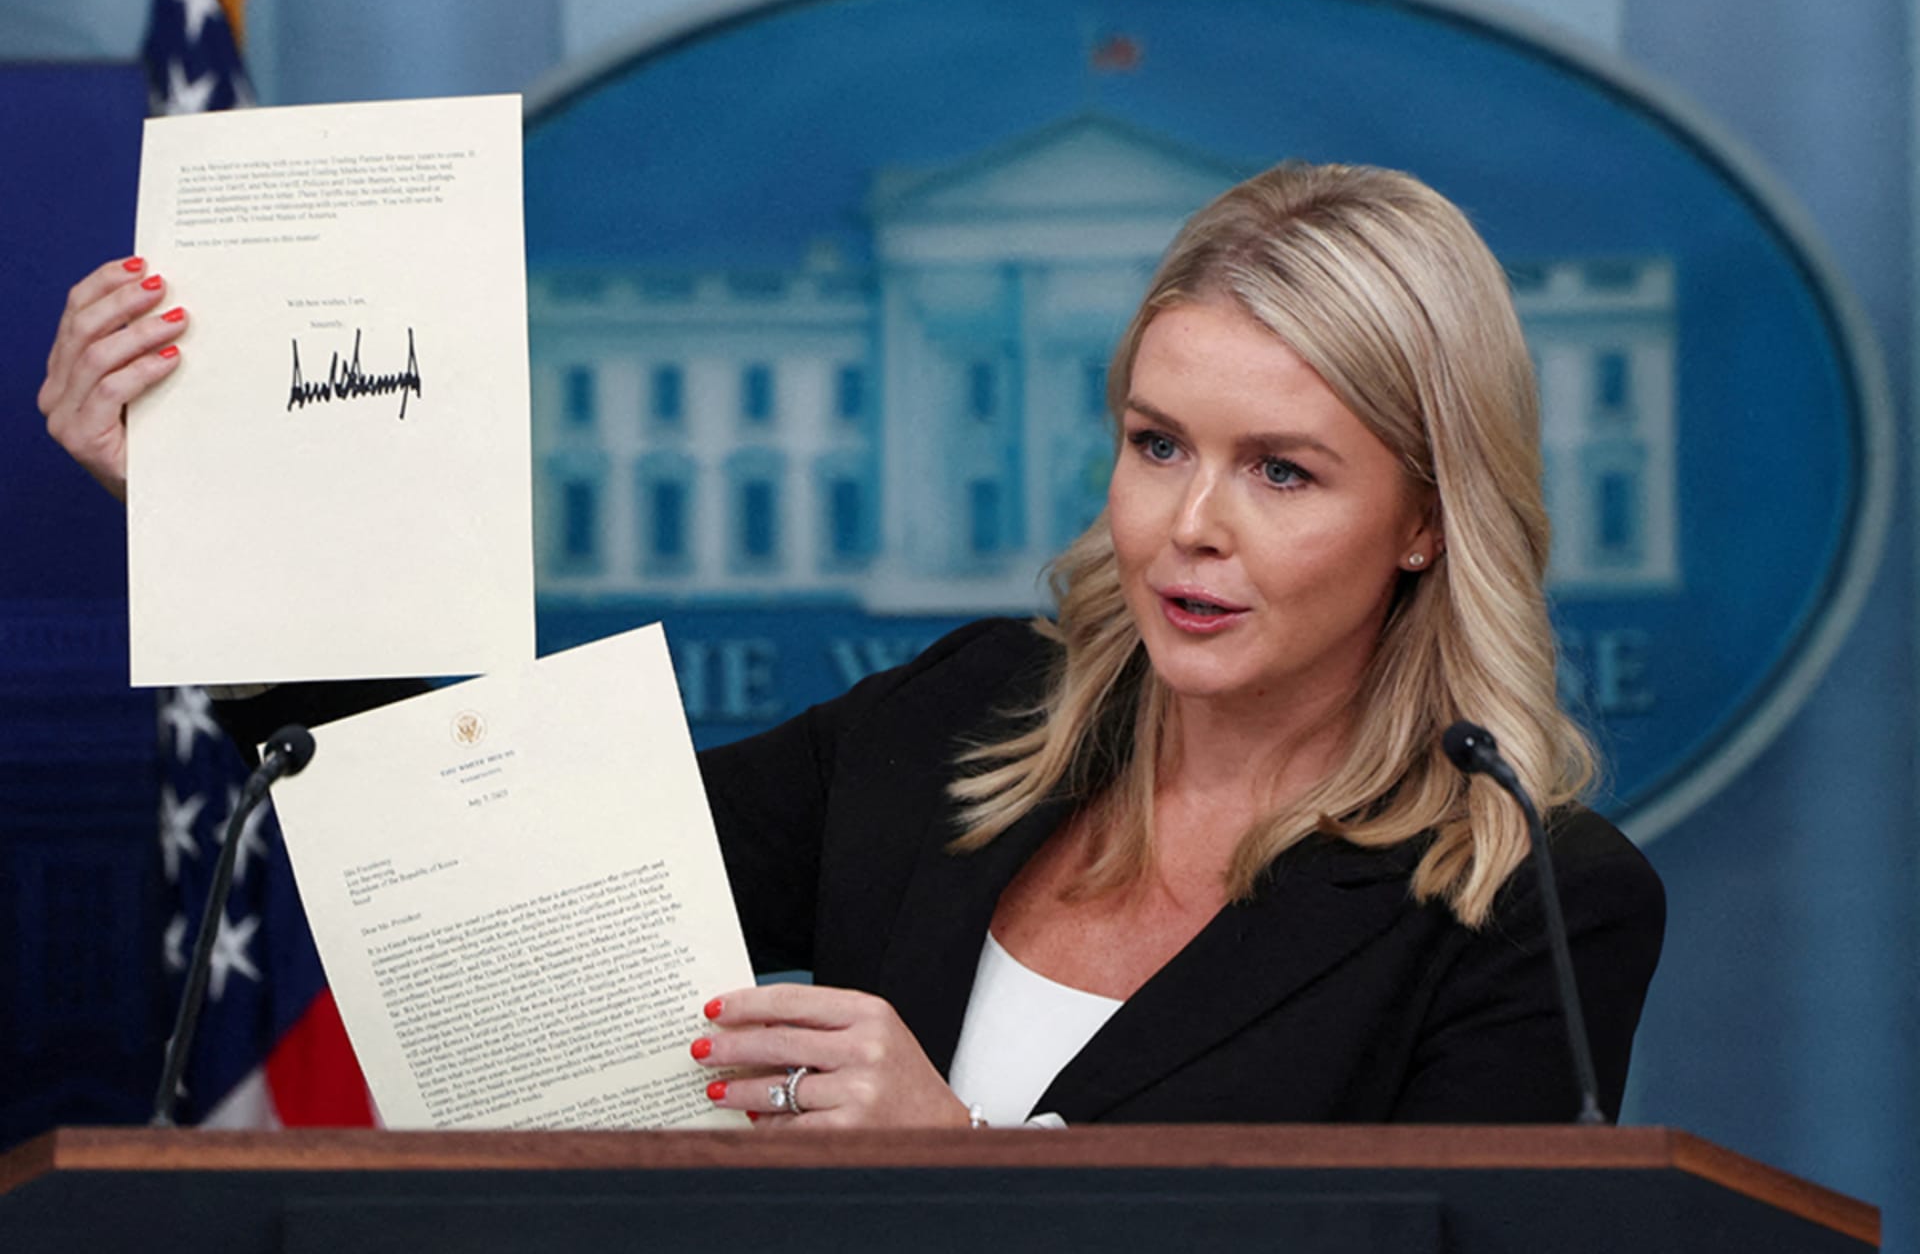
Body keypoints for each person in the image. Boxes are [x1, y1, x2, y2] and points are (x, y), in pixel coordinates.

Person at [39, 161, 1663, 1129]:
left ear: (1427, 517)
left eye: (1282, 470)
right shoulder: (962, 721)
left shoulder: (1534, 901)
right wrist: (219, 511)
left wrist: (958, 1161)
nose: (1189, 524)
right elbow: (500, 871)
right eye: (1159, 442)